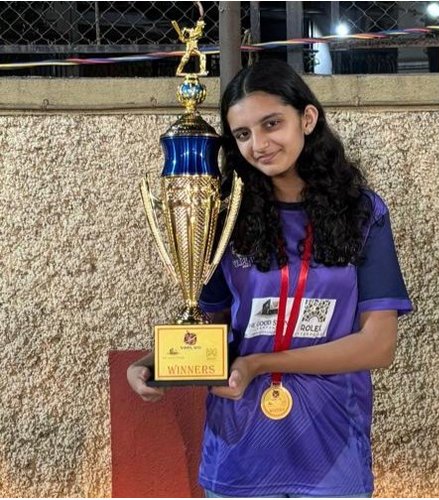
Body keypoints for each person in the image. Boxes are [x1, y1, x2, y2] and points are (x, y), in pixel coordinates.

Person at [127, 59, 413, 498]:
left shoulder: (362, 212)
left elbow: (379, 345)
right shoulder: (225, 218)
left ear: (307, 118)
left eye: (272, 123)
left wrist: (260, 363)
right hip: (240, 452)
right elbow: (212, 329)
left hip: (332, 451)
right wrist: (156, 362)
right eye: (242, 134)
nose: (258, 144)